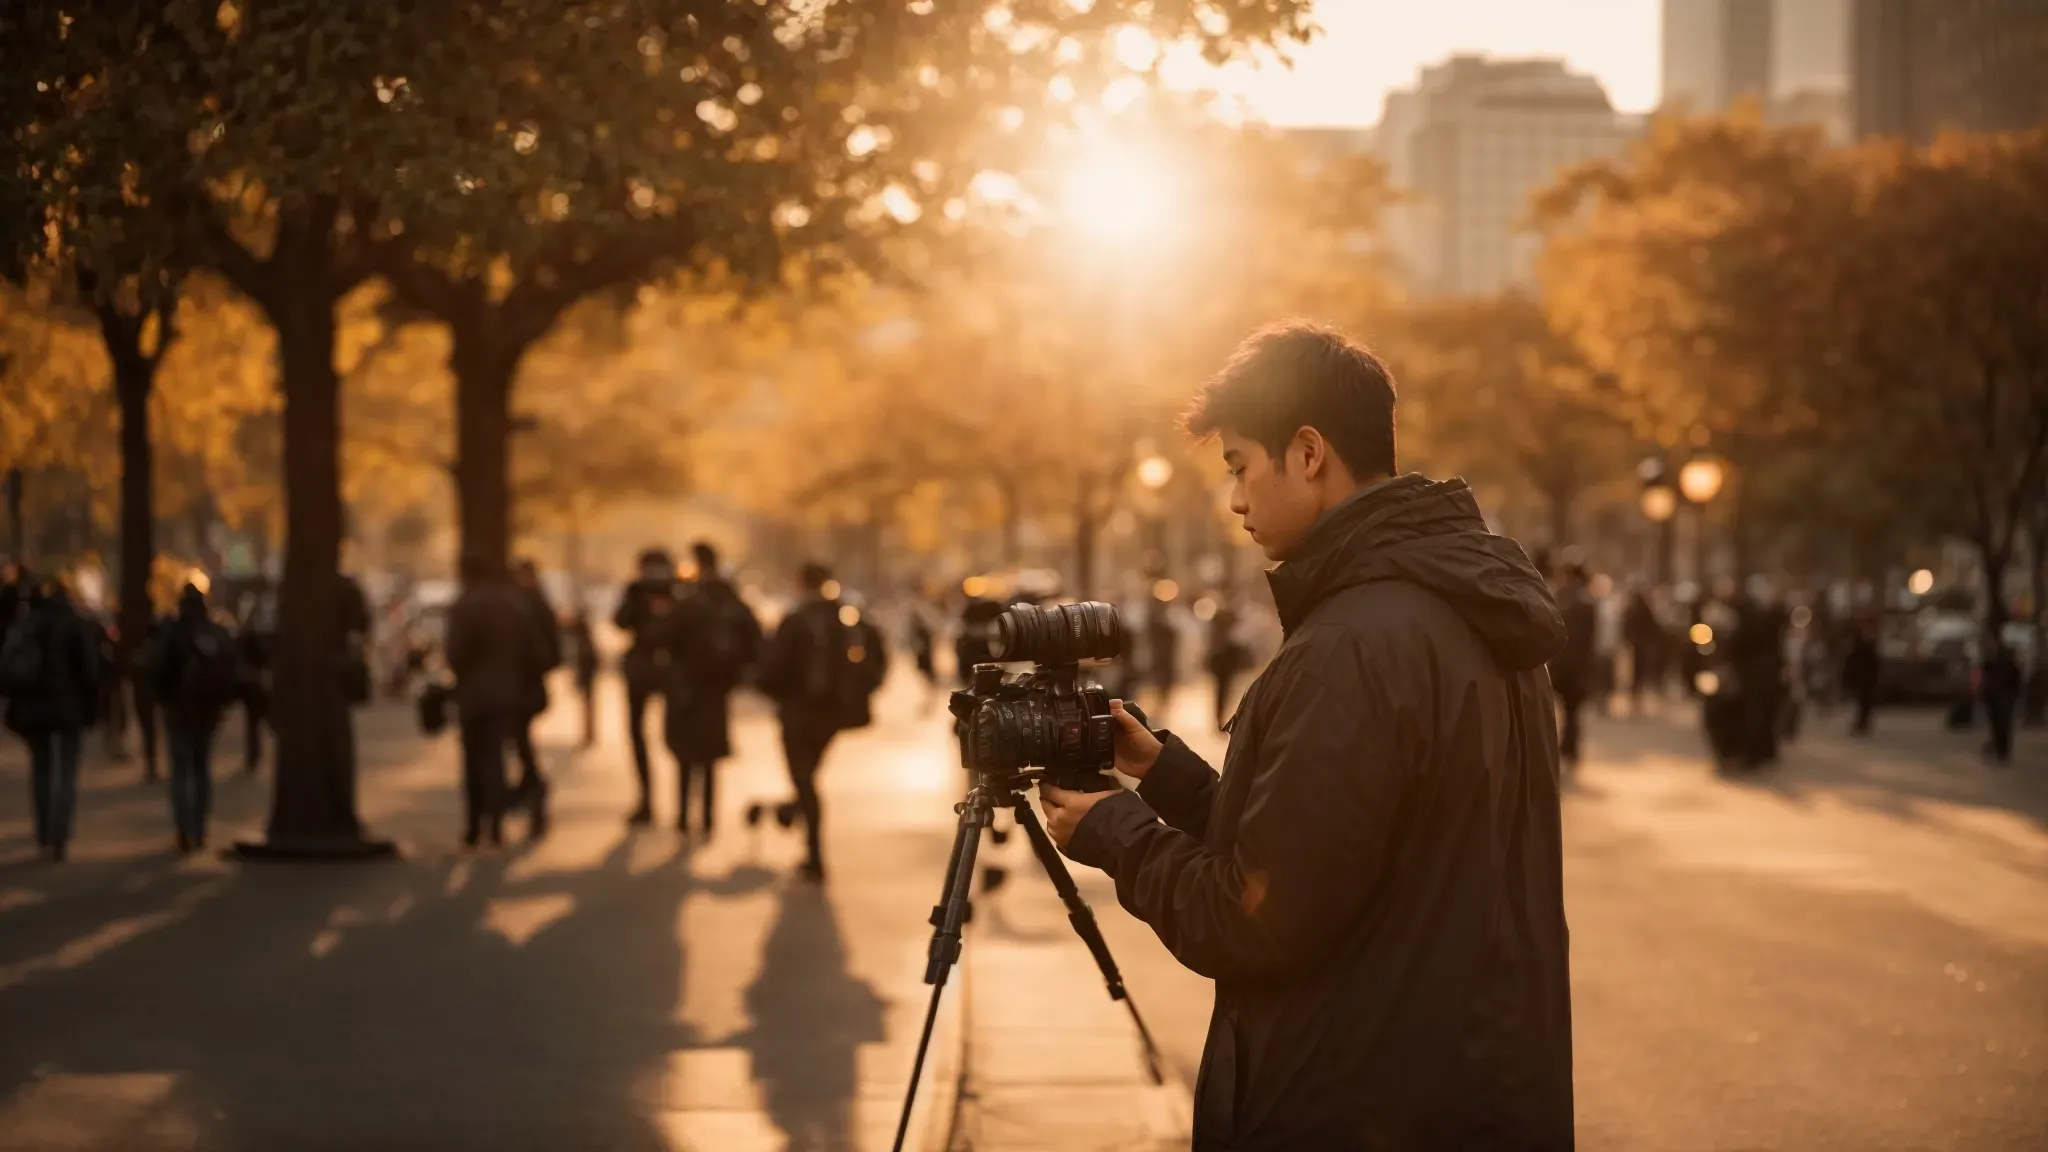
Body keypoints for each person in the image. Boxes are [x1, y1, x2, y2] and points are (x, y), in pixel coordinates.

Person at [1038, 322, 1573, 1149]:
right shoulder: (1473, 614)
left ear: (1310, 452)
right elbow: (1343, 854)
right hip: (1471, 1084)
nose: (1238, 501)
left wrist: (1114, 833)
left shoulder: (1351, 647)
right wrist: (1164, 775)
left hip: (1350, 1100)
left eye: (1241, 467)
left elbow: (1256, 919)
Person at [756, 562, 885, 881]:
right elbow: (878, 657)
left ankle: (813, 855)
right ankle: (795, 812)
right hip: (833, 715)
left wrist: (774, 693)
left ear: (801, 583)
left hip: (799, 712)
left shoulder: (796, 620)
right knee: (807, 776)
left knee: (804, 780)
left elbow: (772, 667)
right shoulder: (847, 617)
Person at [648, 541, 762, 836]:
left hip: (687, 687)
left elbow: (662, 638)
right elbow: (754, 636)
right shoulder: (730, 599)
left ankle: (685, 816)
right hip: (717, 688)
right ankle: (708, 818)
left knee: (685, 755)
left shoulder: (688, 599)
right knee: (710, 758)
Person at [444, 556, 545, 848]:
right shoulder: (514, 606)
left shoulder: (464, 606)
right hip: (510, 694)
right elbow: (535, 652)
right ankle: (498, 823)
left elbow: (455, 653)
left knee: (474, 758)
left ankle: (475, 825)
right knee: (498, 756)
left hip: (474, 695)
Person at [3, 576, 103, 862]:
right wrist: (92, 710)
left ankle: (44, 832)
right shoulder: (75, 624)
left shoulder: (28, 625)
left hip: (34, 712)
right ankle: (61, 834)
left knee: (41, 770)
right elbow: (89, 672)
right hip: (68, 710)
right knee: (67, 773)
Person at [154, 584, 243, 853]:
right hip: (207, 712)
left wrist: (164, 699)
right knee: (201, 768)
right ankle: (200, 828)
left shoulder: (172, 632)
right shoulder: (214, 632)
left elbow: (155, 669)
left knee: (180, 770)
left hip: (177, 712)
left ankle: (183, 830)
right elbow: (230, 670)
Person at [615, 548, 685, 824]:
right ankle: (646, 798)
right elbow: (619, 621)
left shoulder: (679, 591)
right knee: (637, 734)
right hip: (642, 671)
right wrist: (638, 597)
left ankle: (681, 804)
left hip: (670, 672)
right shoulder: (635, 592)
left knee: (677, 737)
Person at [508, 558, 561, 835]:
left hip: (523, 688)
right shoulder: (536, 605)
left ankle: (532, 791)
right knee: (521, 744)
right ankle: (530, 792)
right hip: (528, 687)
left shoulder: (529, 606)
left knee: (521, 745)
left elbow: (550, 654)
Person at [1549, 559, 1599, 768]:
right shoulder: (1587, 603)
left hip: (1562, 663)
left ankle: (1566, 747)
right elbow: (1592, 639)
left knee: (1566, 710)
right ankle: (1570, 748)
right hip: (1579, 665)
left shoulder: (1559, 598)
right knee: (1573, 711)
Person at [1203, 595, 1251, 731]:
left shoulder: (1222, 618)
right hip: (1223, 662)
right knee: (1223, 692)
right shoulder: (1225, 618)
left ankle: (1221, 719)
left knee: (1224, 692)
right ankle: (1220, 719)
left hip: (1226, 662)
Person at [1979, 632, 2022, 765]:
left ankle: (2001, 751)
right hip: (1999, 696)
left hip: (2000, 695)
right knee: (2001, 724)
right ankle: (2001, 751)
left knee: (2001, 724)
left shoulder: (1995, 659)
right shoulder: (1992, 659)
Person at [1623, 583, 1664, 705]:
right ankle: (1637, 692)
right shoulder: (1642, 610)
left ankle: (1636, 692)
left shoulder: (1632, 610)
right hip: (1642, 645)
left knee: (1637, 670)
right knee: (1640, 670)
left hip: (1638, 645)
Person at [566, 604, 600, 750]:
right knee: (588, 704)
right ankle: (589, 733)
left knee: (588, 703)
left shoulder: (583, 643)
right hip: (587, 671)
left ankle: (589, 733)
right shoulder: (586, 641)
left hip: (586, 671)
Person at [1842, 611, 1882, 735]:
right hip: (1863, 674)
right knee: (1862, 700)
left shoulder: (1868, 640)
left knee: (1866, 701)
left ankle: (1863, 723)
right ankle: (1861, 723)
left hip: (1868, 675)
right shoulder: (1859, 639)